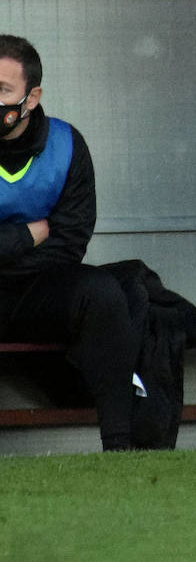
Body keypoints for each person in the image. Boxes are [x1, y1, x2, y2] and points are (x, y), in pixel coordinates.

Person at [0, 34, 139, 451]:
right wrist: (28, 234)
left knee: (103, 292)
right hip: (22, 276)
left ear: (32, 96)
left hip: (39, 289)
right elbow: (48, 236)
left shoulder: (67, 145)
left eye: (3, 91)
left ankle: (120, 446)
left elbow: (70, 243)